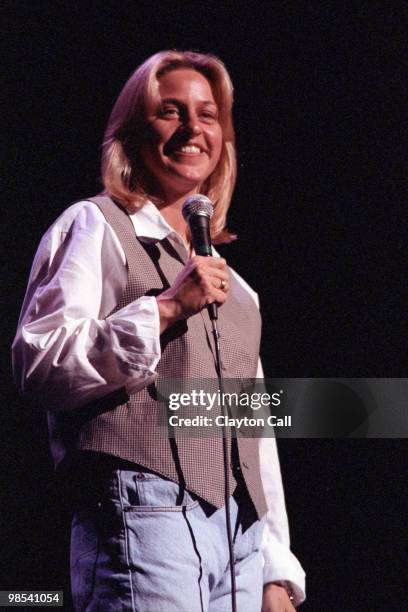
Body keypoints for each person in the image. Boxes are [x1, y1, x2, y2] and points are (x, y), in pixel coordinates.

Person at [12, 50, 306, 611]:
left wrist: (274, 567)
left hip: (237, 538)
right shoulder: (95, 224)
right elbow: (39, 364)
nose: (194, 128)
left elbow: (254, 437)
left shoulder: (239, 291)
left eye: (208, 114)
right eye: (171, 111)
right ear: (133, 133)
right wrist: (166, 309)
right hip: (144, 514)